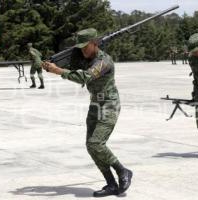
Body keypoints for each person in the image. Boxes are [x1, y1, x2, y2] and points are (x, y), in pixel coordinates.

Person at [42, 28, 132, 197]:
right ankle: (111, 184)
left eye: (86, 46)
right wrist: (50, 64)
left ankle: (123, 171)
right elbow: (74, 68)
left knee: (96, 143)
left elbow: (84, 77)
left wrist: (58, 71)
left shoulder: (105, 61)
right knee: (91, 147)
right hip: (95, 104)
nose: (83, 50)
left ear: (94, 43)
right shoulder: (84, 58)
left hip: (109, 105)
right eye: (80, 47)